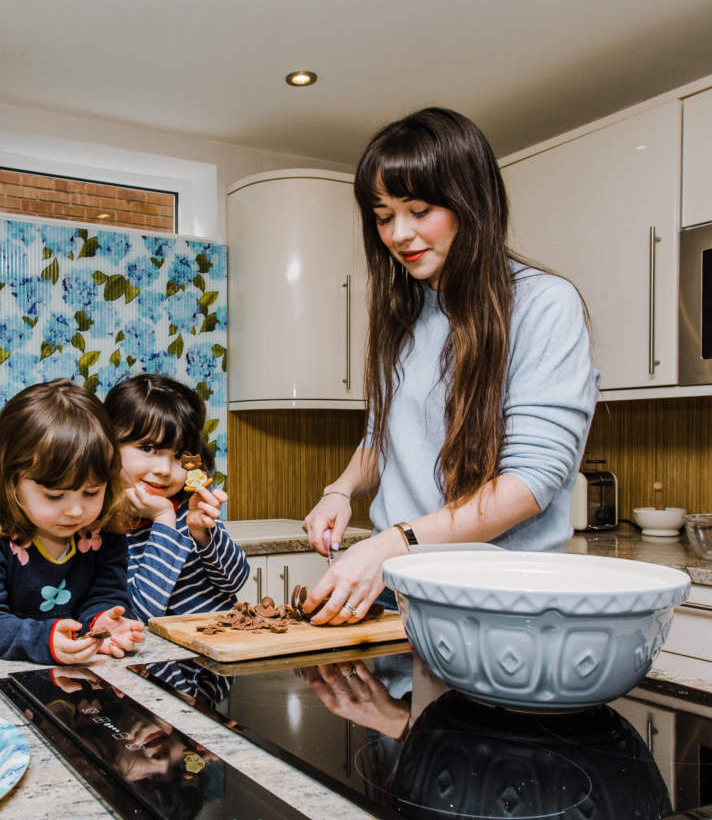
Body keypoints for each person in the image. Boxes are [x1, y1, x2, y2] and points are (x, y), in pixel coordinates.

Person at [302, 107, 599, 625]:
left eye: (418, 210)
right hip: (398, 590)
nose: (398, 235)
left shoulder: (544, 304)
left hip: (497, 606)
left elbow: (530, 484)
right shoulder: (404, 313)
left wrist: (395, 543)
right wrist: (340, 491)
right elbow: (384, 435)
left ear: (471, 202)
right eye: (383, 215)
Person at [0, 379, 145, 664]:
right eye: (55, 495)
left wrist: (103, 623)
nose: (76, 511)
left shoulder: (103, 531)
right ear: (11, 481)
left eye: (92, 492)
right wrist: (44, 641)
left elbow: (106, 595)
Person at [103, 373, 250, 621]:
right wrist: (163, 520)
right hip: (160, 657)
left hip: (217, 647)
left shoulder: (191, 501)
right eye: (148, 448)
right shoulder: (101, 523)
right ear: (108, 444)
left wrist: (204, 535)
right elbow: (139, 617)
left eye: (179, 455)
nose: (164, 470)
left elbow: (234, 582)